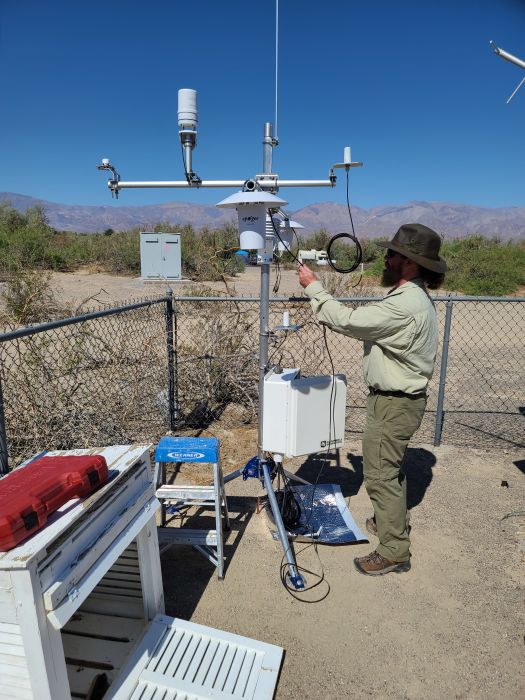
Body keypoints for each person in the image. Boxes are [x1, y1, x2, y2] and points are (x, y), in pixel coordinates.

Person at [298, 223, 447, 575]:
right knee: (388, 469)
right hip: (394, 400)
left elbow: (348, 320)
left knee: (380, 475)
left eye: (393, 254)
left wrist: (313, 287)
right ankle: (388, 522)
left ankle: (394, 551)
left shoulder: (406, 304)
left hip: (395, 402)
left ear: (410, 263)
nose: (387, 258)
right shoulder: (410, 296)